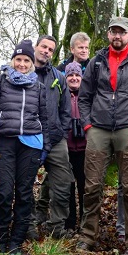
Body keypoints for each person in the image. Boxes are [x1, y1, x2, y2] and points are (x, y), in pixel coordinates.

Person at [76, 16, 128, 255]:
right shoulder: (96, 62)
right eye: (113, 32)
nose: (117, 36)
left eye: (122, 32)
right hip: (98, 129)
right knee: (92, 186)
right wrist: (88, 125)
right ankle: (88, 236)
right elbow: (84, 96)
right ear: (108, 34)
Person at [0, 39, 49, 255]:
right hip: (4, 142)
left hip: (31, 144)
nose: (22, 64)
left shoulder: (39, 86)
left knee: (25, 194)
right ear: (13, 60)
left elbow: (45, 118)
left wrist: (46, 146)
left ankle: (16, 241)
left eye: (26, 60)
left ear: (32, 62)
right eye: (19, 59)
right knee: (5, 193)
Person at [30, 35, 74, 239]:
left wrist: (61, 132)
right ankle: (29, 224)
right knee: (24, 183)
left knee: (63, 183)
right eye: (43, 47)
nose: (46, 51)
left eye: (50, 49)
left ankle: (56, 226)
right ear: (35, 47)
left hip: (56, 139)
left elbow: (66, 110)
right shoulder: (23, 71)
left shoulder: (59, 77)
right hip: (28, 138)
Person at [63, 62, 86, 232]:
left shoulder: (86, 95)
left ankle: (86, 222)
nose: (74, 78)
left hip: (85, 148)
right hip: (67, 148)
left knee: (85, 187)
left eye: (77, 75)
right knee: (68, 187)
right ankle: (69, 222)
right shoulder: (62, 95)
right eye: (70, 75)